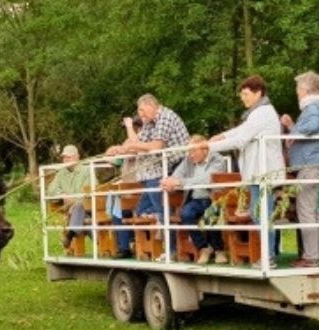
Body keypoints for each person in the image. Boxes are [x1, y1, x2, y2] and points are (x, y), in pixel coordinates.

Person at [209, 75, 285, 266]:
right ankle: (268, 255)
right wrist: (220, 136)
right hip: (257, 173)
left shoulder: (263, 113)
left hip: (264, 172)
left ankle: (269, 256)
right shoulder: (256, 113)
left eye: (246, 94)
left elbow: (241, 139)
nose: (243, 98)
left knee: (262, 214)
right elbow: (240, 131)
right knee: (258, 213)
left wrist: (208, 147)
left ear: (258, 93)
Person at [105, 95, 190, 257]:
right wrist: (118, 149)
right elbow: (138, 142)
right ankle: (149, 245)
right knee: (142, 210)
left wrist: (130, 146)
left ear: (151, 105)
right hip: (159, 170)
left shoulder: (165, 117)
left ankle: (171, 249)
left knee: (161, 210)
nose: (141, 114)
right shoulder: (151, 123)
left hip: (174, 167)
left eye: (142, 110)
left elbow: (156, 146)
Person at [280, 71, 319, 267]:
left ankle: (311, 257)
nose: (296, 92)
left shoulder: (312, 107)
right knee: (311, 210)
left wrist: (293, 133)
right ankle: (313, 254)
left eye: (297, 88)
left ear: (304, 89)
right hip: (316, 163)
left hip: (311, 164)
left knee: (306, 210)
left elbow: (313, 125)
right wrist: (293, 126)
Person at [161, 135, 229, 264]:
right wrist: (168, 182)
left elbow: (207, 179)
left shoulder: (218, 159)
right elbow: (176, 175)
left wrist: (179, 182)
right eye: (189, 152)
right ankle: (204, 248)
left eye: (193, 151)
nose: (190, 155)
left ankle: (219, 250)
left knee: (211, 214)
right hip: (196, 200)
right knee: (186, 214)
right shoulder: (188, 160)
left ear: (204, 150)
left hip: (214, 199)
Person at [46, 145, 94, 249]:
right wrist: (62, 195)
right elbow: (51, 190)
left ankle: (69, 235)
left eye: (69, 157)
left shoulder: (87, 170)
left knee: (79, 206)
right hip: (71, 210)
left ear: (77, 157)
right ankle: (92, 233)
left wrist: (75, 202)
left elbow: (90, 191)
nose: (66, 160)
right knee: (84, 218)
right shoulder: (61, 173)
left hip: (88, 207)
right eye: (64, 157)